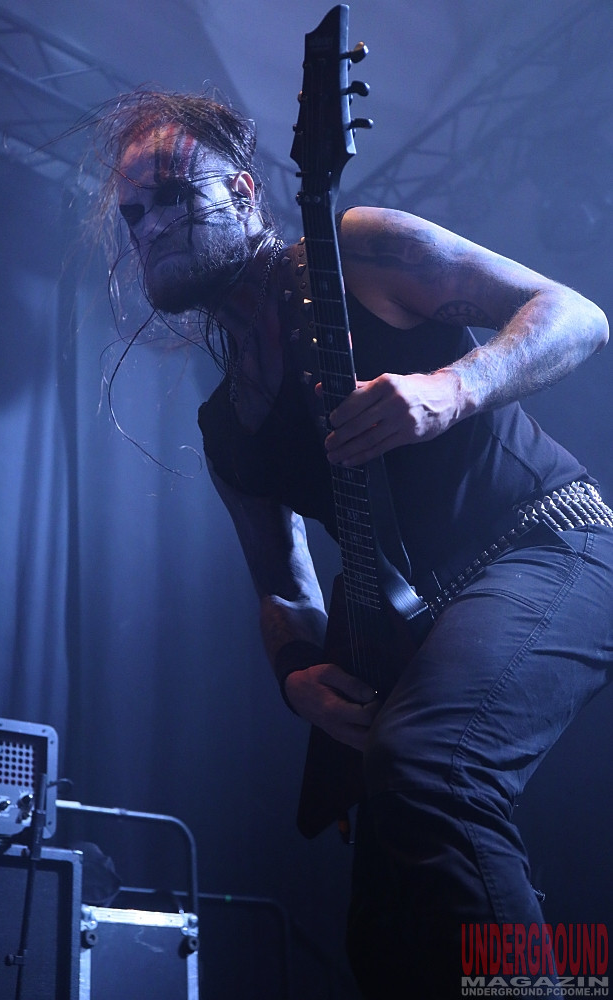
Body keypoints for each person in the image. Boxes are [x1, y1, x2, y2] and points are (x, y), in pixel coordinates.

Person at [90, 89, 613, 998]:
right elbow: (285, 590)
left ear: (243, 192)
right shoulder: (228, 429)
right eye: (134, 215)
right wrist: (295, 673)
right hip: (421, 622)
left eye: (172, 195)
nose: (151, 227)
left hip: (551, 543)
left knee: (429, 767)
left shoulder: (357, 252)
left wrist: (451, 389)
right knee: (383, 927)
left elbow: (574, 314)